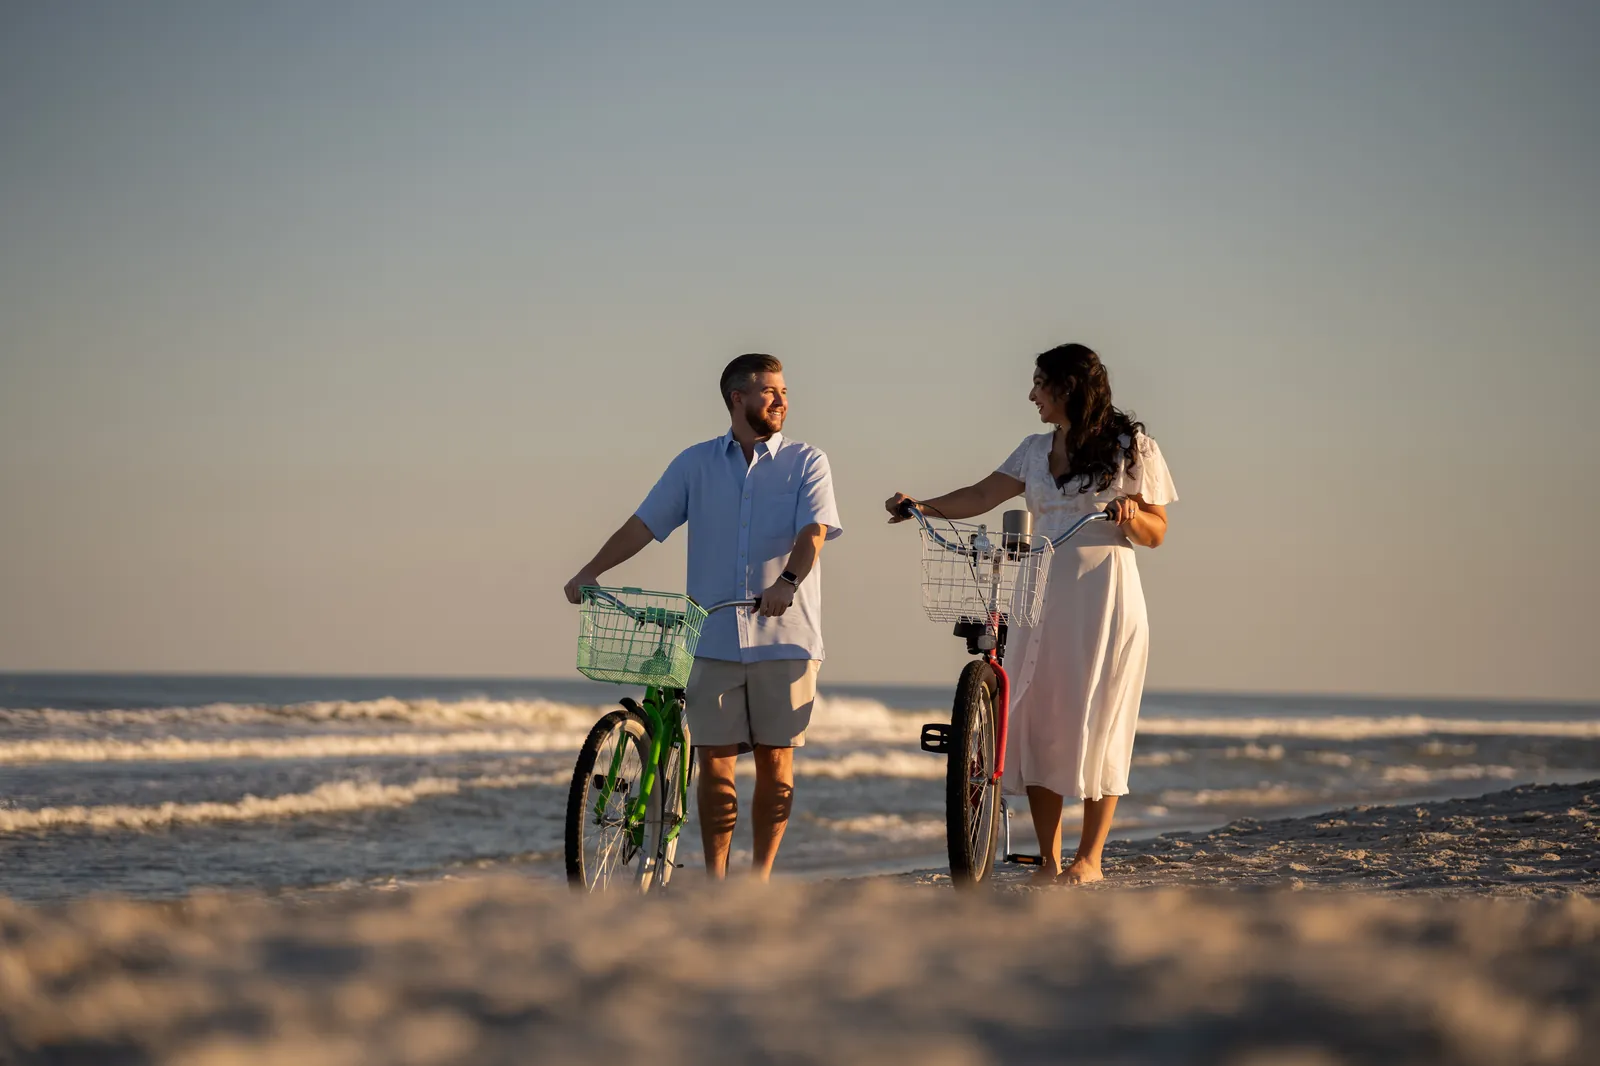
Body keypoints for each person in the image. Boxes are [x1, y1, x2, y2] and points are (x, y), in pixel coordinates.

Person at [884, 343, 1176, 884]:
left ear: (1068, 387)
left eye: (1040, 383)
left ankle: (1091, 858)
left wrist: (1132, 516)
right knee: (1037, 717)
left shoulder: (1131, 447)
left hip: (1106, 595)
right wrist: (921, 506)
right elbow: (981, 494)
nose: (1031, 394)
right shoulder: (1033, 449)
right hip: (1040, 593)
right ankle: (1049, 857)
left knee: (1101, 715)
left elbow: (1157, 532)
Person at [564, 353, 843, 881]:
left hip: (785, 637)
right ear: (737, 398)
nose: (781, 400)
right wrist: (590, 570)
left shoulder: (808, 460)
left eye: (784, 390)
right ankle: (716, 883)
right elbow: (643, 524)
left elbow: (815, 533)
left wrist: (787, 583)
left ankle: (757, 882)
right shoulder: (695, 463)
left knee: (775, 763)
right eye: (769, 391)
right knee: (714, 760)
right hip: (711, 635)